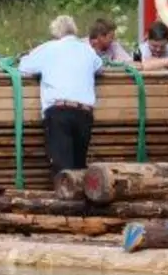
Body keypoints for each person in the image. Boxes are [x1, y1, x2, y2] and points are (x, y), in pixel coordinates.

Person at [19, 15, 104, 177]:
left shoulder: (48, 48)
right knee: (79, 167)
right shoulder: (88, 50)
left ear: (56, 33)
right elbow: (100, 67)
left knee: (63, 170)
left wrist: (29, 56)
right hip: (84, 113)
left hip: (59, 112)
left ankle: (64, 193)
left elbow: (24, 67)